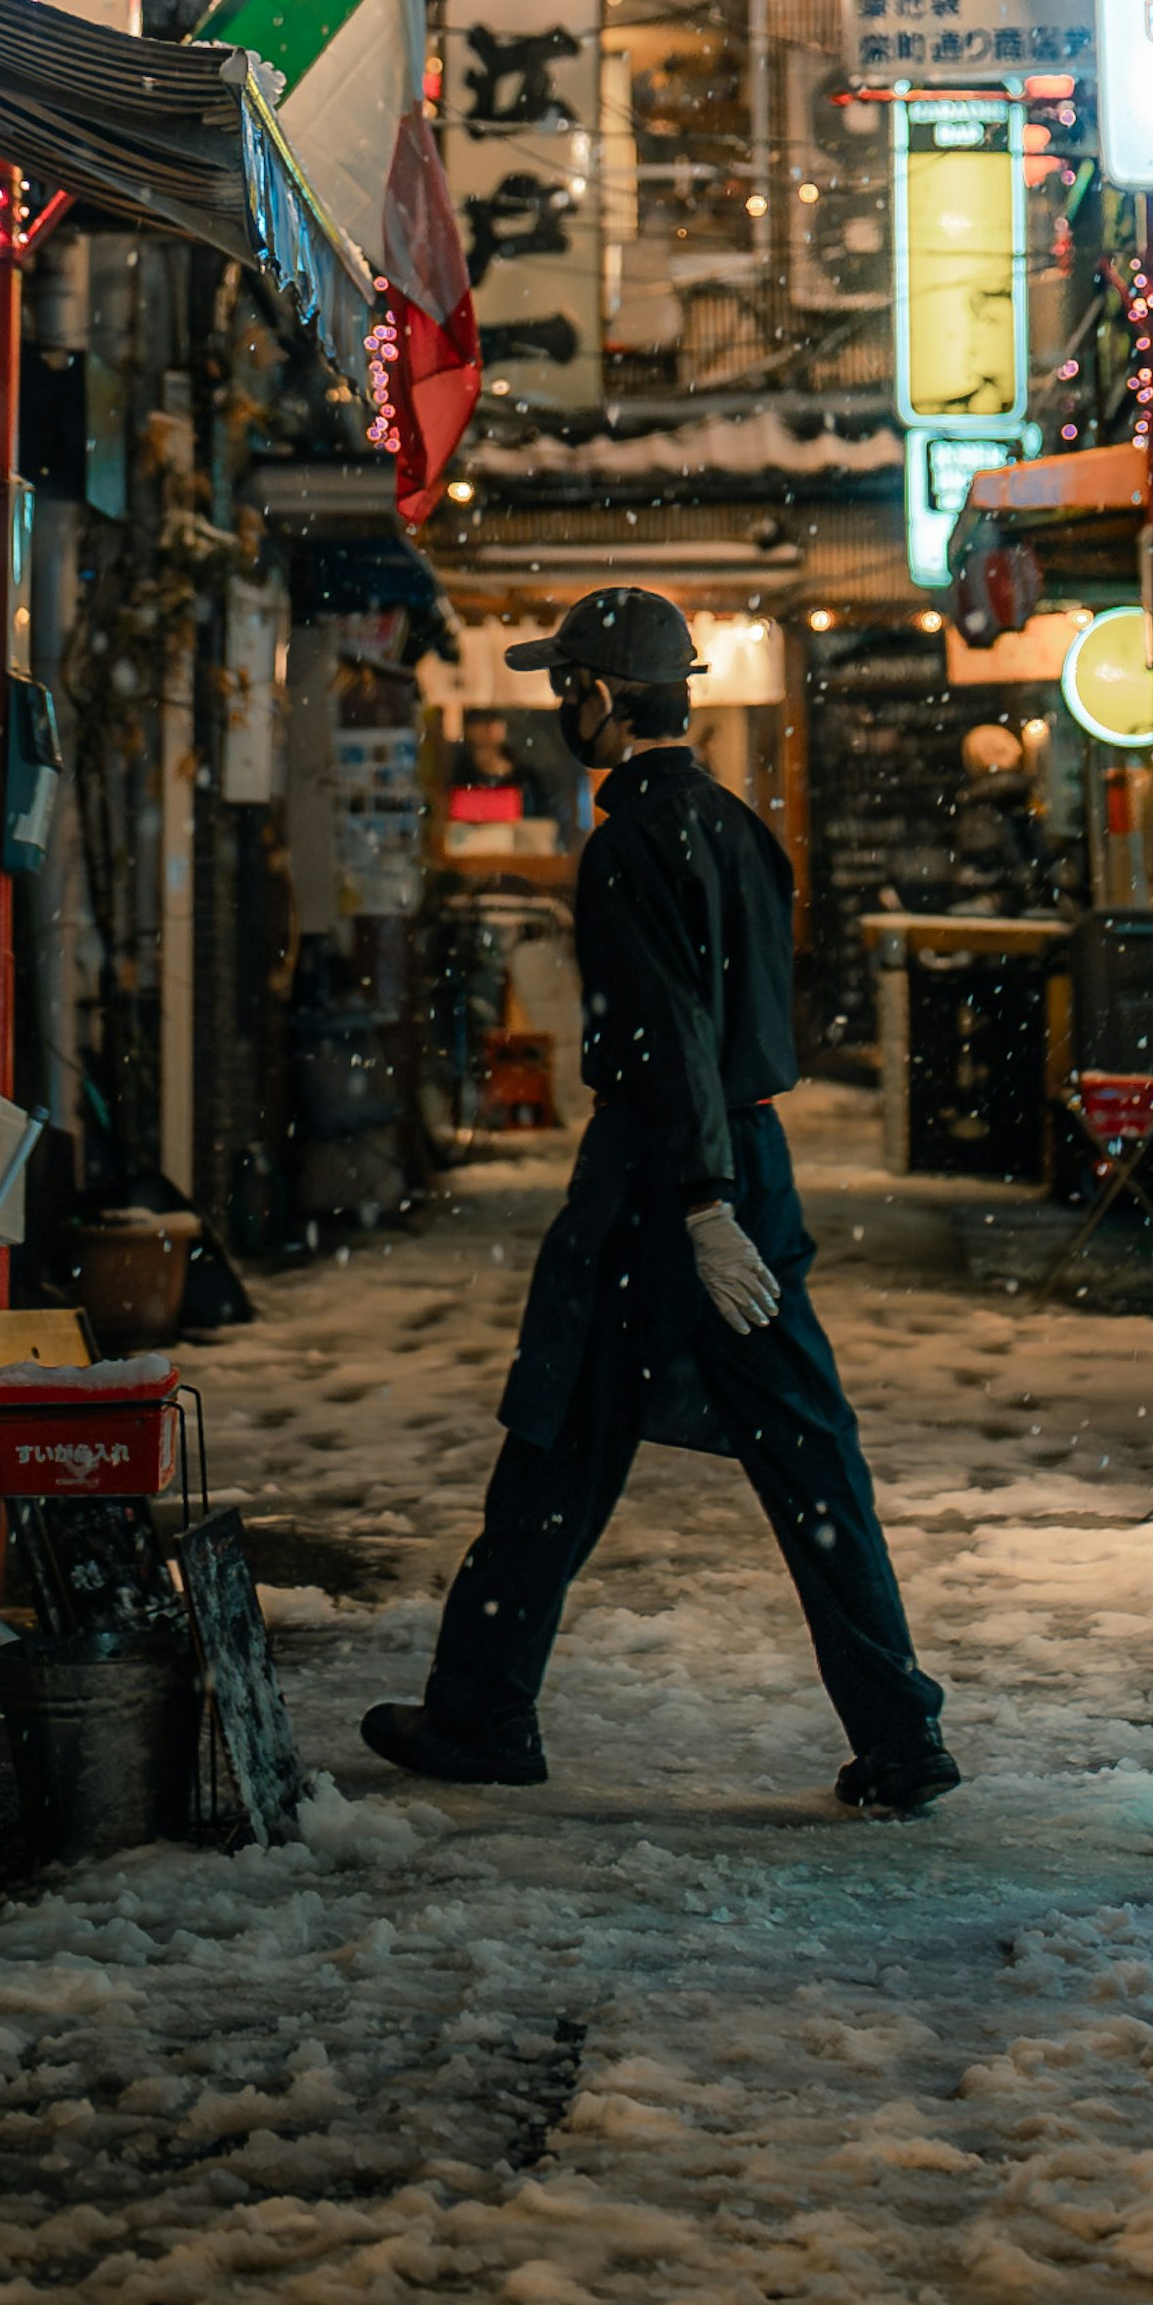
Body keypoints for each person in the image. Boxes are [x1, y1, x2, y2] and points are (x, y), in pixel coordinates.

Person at [362, 581, 957, 1812]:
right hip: (746, 1165)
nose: (554, 712)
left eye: (560, 689)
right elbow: (738, 1021)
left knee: (559, 1443)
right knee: (807, 1464)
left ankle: (483, 1713)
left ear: (597, 695)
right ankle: (899, 1733)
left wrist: (697, 1199)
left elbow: (668, 1030)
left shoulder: (626, 840)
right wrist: (732, 1186)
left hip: (660, 1182)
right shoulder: (738, 825)